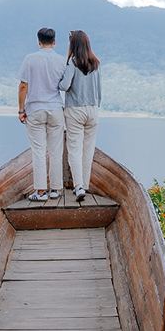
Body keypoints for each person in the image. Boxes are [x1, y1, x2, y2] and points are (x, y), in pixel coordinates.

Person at [18, 27, 66, 202]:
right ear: (54, 42)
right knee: (56, 151)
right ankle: (55, 190)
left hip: (35, 110)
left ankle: (40, 192)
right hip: (55, 109)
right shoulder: (61, 61)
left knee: (38, 151)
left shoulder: (30, 59)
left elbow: (23, 86)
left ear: (38, 41)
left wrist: (21, 110)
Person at [59, 30, 101, 202]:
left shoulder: (73, 63)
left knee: (74, 150)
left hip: (75, 110)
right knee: (88, 150)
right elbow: (99, 90)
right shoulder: (96, 63)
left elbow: (64, 86)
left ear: (73, 45)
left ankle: (78, 187)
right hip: (93, 110)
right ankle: (85, 183)